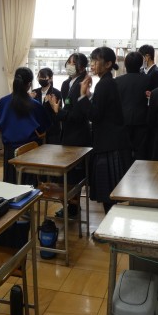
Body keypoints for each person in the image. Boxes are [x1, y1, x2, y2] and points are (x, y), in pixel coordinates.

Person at [75, 47, 131, 213]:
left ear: (108, 64)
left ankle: (110, 226)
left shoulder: (104, 84)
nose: (92, 64)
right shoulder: (108, 82)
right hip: (112, 142)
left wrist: (82, 96)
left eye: (96, 61)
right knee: (111, 194)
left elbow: (95, 115)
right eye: (92, 60)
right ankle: (110, 225)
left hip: (109, 145)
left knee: (109, 194)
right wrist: (89, 96)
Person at [49, 53, 91, 217]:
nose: (69, 66)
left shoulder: (83, 84)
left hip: (78, 135)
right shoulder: (66, 83)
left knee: (74, 175)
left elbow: (78, 116)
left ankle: (73, 209)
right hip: (66, 133)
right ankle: (70, 206)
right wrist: (58, 110)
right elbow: (67, 107)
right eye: (68, 63)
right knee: (66, 174)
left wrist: (58, 111)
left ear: (81, 67)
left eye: (72, 63)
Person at [0, 67, 50, 184]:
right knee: (28, 188)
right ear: (29, 84)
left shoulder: (2, 102)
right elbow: (43, 128)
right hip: (29, 152)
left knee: (10, 184)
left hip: (9, 151)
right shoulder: (35, 105)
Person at [115, 51, 150, 160]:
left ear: (125, 64)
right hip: (142, 120)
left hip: (123, 120)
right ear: (141, 64)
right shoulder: (147, 79)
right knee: (140, 152)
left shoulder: (117, 81)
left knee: (124, 151)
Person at [31, 67, 62, 144]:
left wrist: (50, 104)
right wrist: (29, 99)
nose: (41, 79)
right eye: (39, 76)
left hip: (52, 130)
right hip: (37, 130)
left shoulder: (56, 93)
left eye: (43, 77)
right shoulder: (34, 92)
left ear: (50, 78)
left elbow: (58, 113)